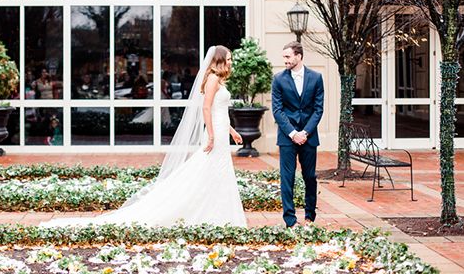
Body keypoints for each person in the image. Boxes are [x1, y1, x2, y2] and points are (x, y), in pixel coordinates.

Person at [40, 45, 246, 228]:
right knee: (206, 171)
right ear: (219, 61)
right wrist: (210, 135)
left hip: (220, 131)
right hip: (214, 134)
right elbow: (207, 108)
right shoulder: (211, 79)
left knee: (217, 172)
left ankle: (217, 214)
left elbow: (221, 112)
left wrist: (232, 131)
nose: (231, 62)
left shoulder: (219, 80)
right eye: (228, 58)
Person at [271, 41, 324, 228]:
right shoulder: (278, 79)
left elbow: (318, 110)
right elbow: (277, 110)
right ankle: (290, 221)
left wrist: (306, 132)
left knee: (310, 176)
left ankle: (310, 217)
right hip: (287, 137)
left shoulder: (316, 78)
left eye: (287, 56)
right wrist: (293, 133)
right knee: (287, 178)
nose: (284, 60)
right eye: (284, 57)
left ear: (299, 56)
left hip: (309, 136)